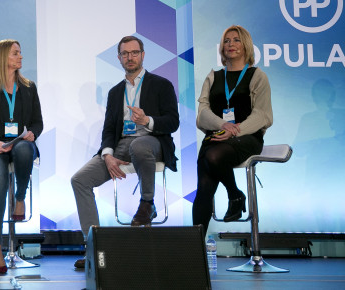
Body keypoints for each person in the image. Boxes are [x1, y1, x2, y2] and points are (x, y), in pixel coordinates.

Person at [71, 36, 179, 268]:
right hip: (120, 147)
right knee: (79, 179)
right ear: (119, 58)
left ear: (142, 54)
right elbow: (109, 129)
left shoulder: (161, 84)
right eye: (125, 53)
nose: (130, 57)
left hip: (152, 143)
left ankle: (147, 204)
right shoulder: (115, 92)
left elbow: (173, 122)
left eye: (134, 52)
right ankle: (93, 248)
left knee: (138, 145)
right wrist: (108, 154)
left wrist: (147, 120)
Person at [192, 25, 272, 235]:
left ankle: (234, 195)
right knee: (203, 190)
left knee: (213, 154)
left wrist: (235, 130)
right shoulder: (213, 77)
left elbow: (262, 115)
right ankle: (195, 248)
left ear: (245, 45)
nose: (230, 44)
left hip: (246, 137)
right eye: (226, 41)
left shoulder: (257, 76)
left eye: (236, 40)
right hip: (217, 136)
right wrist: (222, 125)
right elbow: (202, 113)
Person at [0, 39, 43, 274]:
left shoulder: (29, 87)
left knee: (24, 149)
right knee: (0, 178)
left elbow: (37, 121)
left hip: (20, 143)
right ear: (3, 57)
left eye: (20, 53)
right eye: (16, 53)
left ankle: (20, 198)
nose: (21, 57)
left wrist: (32, 132)